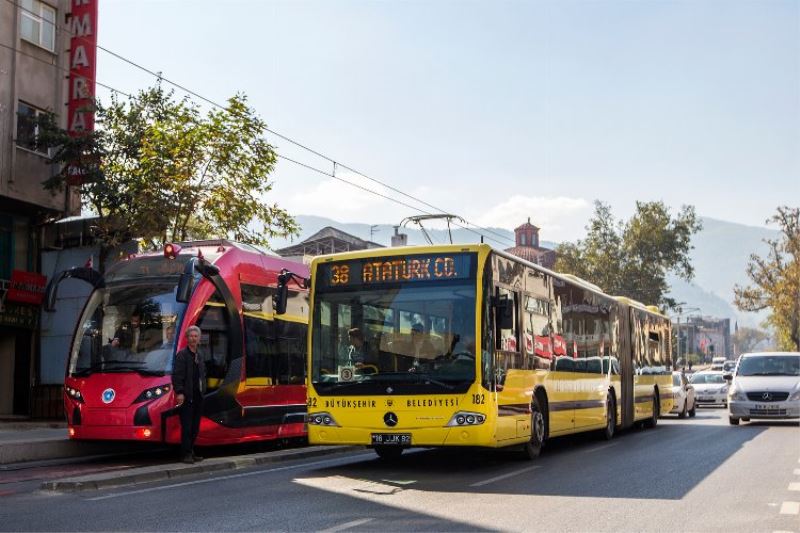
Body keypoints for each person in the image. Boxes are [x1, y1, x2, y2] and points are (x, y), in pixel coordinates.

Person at [172, 325, 206, 464]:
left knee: (195, 427)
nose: (193, 338)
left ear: (199, 339)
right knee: (187, 427)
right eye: (191, 336)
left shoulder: (200, 354)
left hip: (198, 396)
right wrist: (179, 392)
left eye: (195, 336)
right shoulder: (182, 355)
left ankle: (191, 451)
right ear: (187, 338)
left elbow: (203, 374)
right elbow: (177, 376)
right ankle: (185, 454)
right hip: (187, 396)